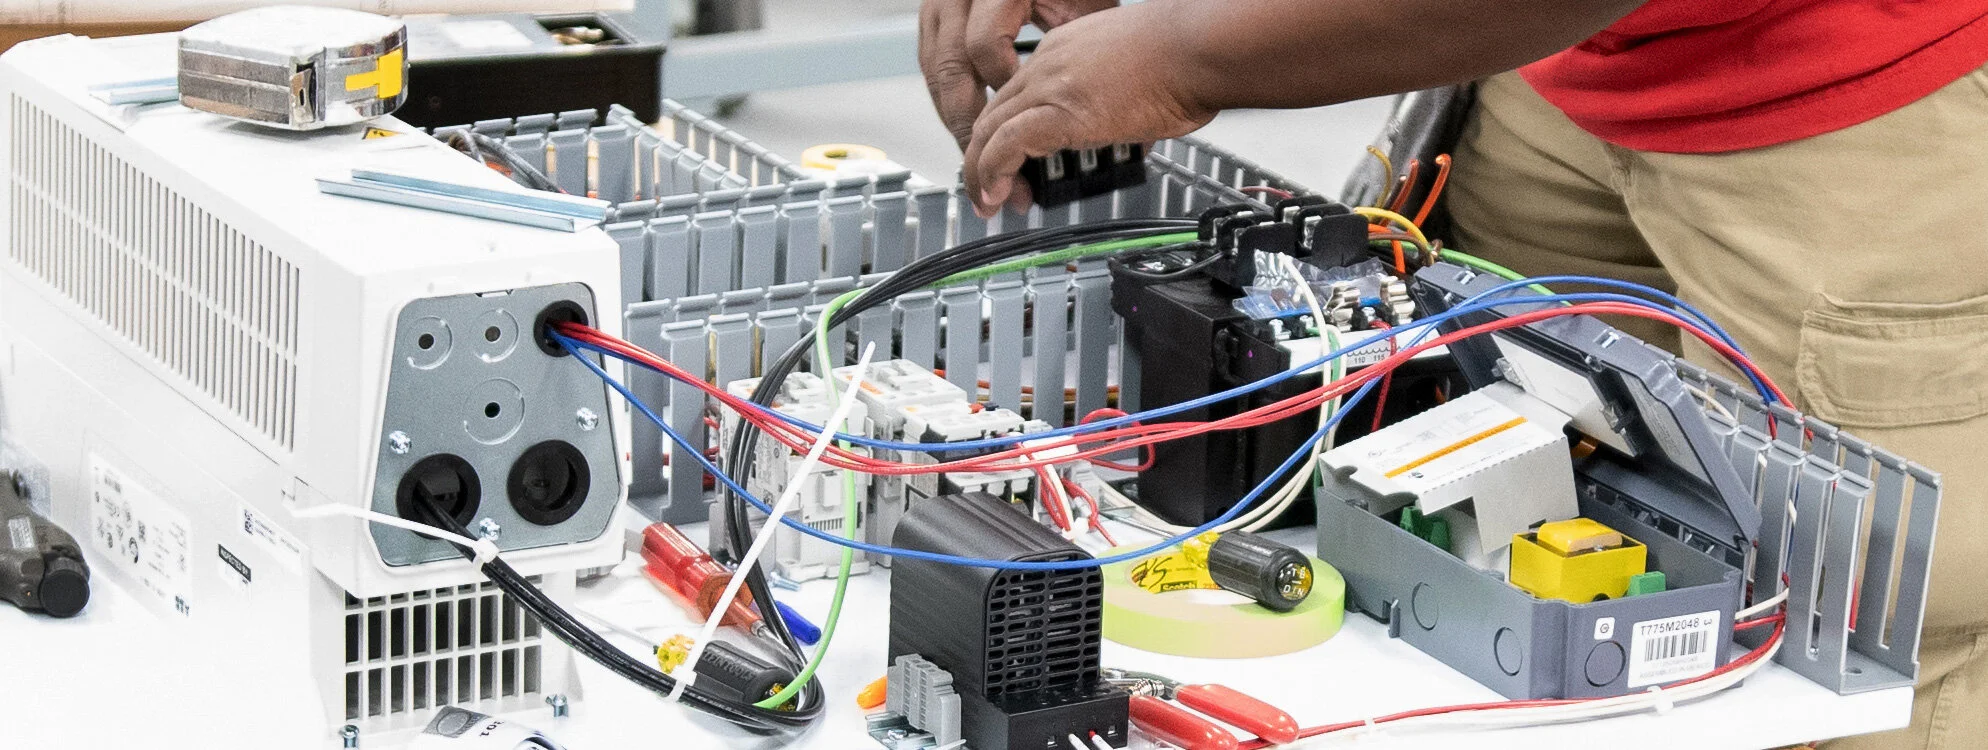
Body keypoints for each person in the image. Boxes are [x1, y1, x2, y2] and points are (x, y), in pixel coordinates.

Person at [917, 1, 1988, 748]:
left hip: (1852, 93)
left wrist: (1185, 55)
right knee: (1505, 503)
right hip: (1551, 68)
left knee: (1860, 632)